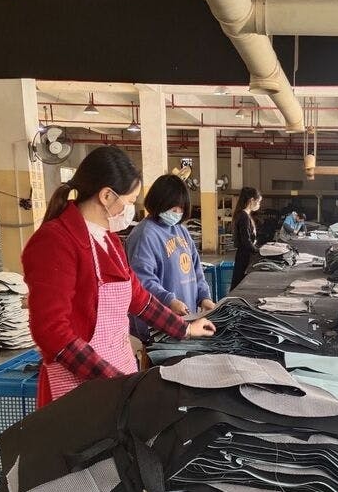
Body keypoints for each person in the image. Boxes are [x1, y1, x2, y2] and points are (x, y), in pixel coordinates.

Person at [22, 146, 215, 407]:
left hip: (117, 372)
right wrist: (113, 380)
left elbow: (139, 298)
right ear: (106, 196)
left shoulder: (109, 240)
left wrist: (185, 328)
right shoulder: (56, 241)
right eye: (130, 201)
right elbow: (52, 332)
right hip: (78, 388)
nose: (131, 209)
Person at [125, 174, 215, 341]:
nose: (178, 213)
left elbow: (196, 269)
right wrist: (169, 300)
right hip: (157, 326)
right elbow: (142, 281)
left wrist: (204, 297)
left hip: (185, 321)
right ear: (160, 203)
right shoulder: (144, 235)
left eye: (181, 209)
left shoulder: (181, 231)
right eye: (174, 209)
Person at [231, 186, 262, 289]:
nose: (259, 205)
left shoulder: (245, 215)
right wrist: (258, 251)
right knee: (239, 284)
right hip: (244, 256)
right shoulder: (243, 216)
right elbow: (246, 241)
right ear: (252, 200)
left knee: (239, 281)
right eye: (258, 202)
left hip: (245, 254)